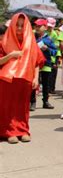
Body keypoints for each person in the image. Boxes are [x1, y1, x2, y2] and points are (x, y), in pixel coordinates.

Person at [0, 14, 44, 144]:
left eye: (22, 25)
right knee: (8, 107)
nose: (19, 28)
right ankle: (9, 131)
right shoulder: (4, 41)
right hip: (8, 81)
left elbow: (37, 61)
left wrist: (36, 78)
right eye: (17, 25)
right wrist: (11, 55)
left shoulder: (31, 42)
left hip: (25, 80)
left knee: (23, 107)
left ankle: (23, 130)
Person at [30, 19, 57, 111]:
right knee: (34, 83)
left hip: (46, 64)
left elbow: (55, 51)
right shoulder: (32, 38)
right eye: (36, 26)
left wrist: (48, 49)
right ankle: (32, 102)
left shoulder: (48, 40)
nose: (37, 28)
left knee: (46, 84)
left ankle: (45, 101)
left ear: (45, 27)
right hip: (34, 64)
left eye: (39, 26)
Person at [46, 17, 60, 94]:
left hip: (54, 56)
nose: (49, 27)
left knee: (53, 73)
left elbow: (57, 46)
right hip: (46, 56)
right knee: (47, 74)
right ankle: (47, 88)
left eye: (51, 26)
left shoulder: (55, 34)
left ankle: (52, 88)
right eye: (48, 26)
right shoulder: (45, 33)